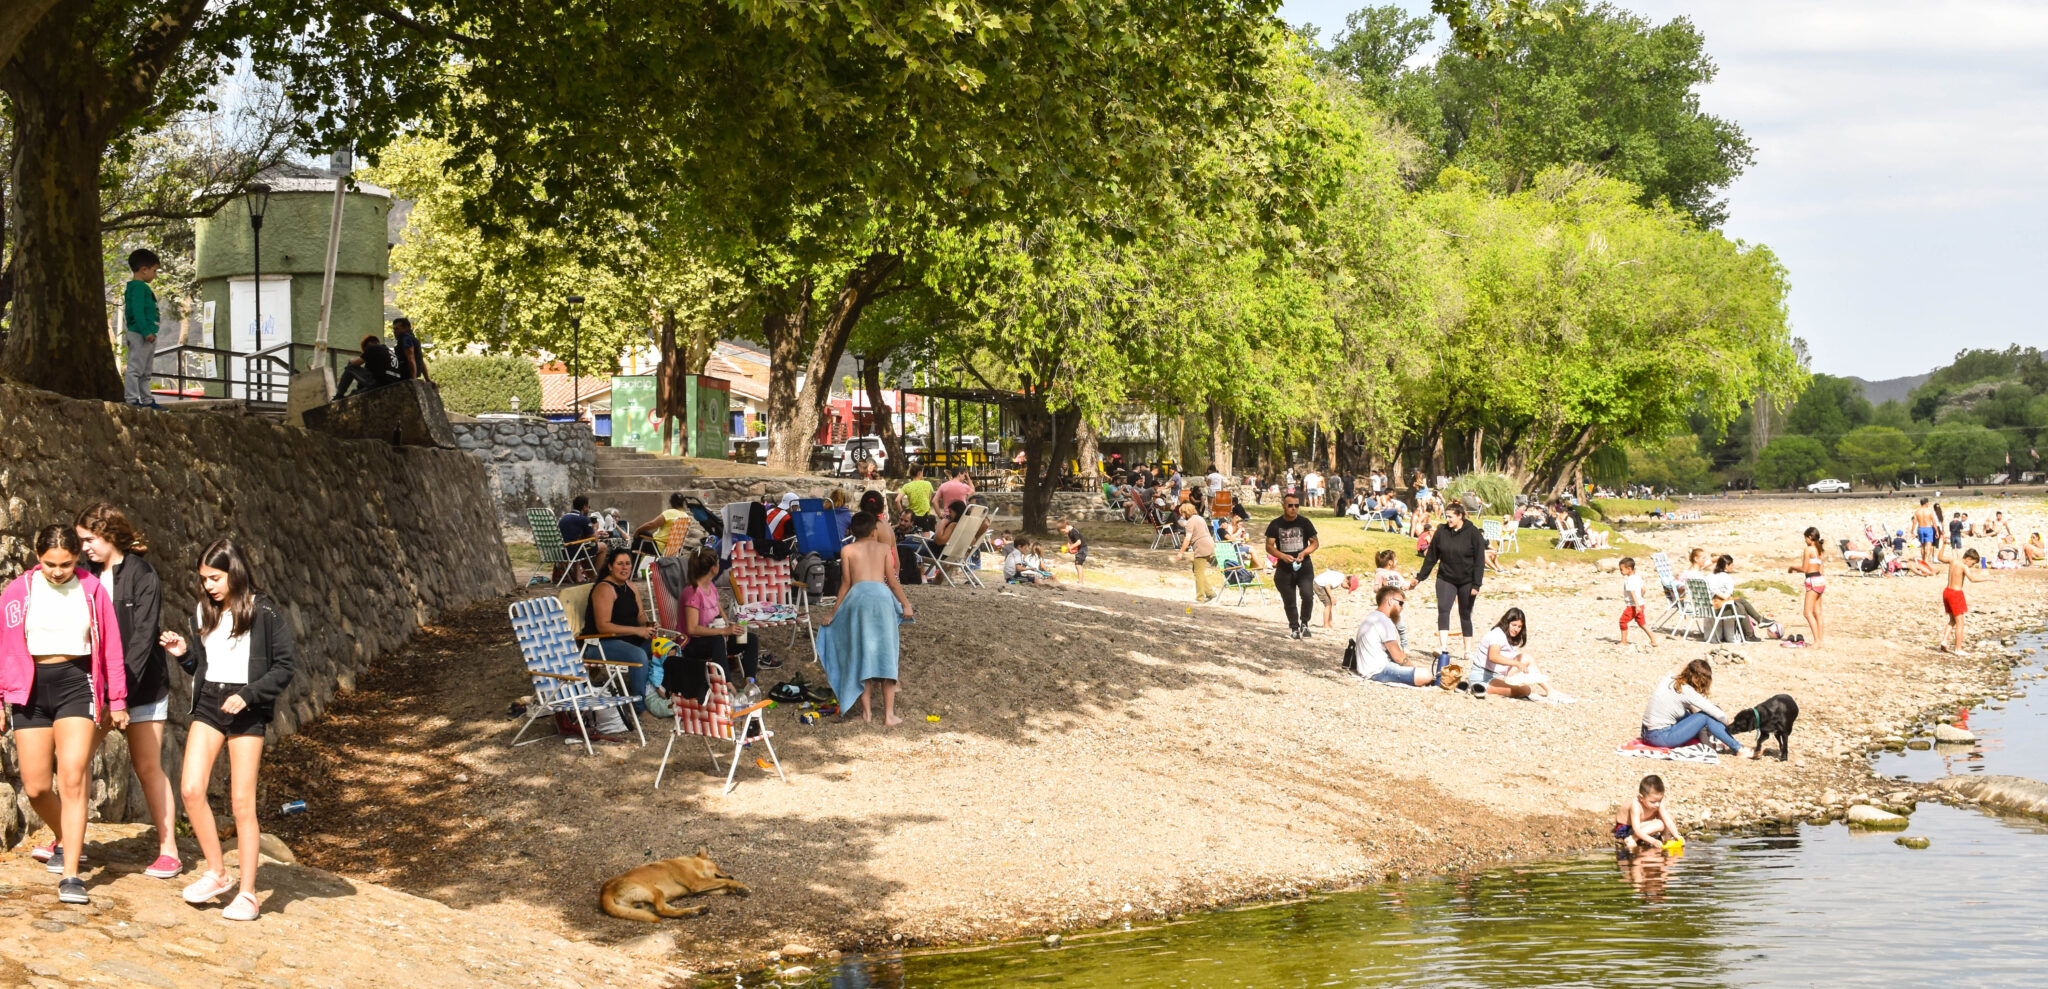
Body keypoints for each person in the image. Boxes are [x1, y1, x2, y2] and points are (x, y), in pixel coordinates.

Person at [161, 539, 295, 920]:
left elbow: (285, 666)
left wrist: (249, 695)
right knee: (191, 789)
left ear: (234, 572)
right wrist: (183, 655)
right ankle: (217, 873)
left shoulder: (263, 610)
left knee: (241, 803)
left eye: (215, 578)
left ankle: (248, 894)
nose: (209, 586)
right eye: (204, 579)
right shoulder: (204, 611)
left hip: (246, 708)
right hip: (209, 702)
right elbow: (204, 666)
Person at [1, 525, 129, 905]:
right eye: (50, 564)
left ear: (77, 559)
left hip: (77, 684)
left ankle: (71, 873)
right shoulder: (18, 591)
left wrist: (118, 699)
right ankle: (66, 835)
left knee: (72, 776)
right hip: (29, 690)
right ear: (37, 557)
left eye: (66, 564)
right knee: (37, 787)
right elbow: (3, 646)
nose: (58, 572)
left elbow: (112, 648)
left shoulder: (92, 589)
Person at [73, 504, 181, 881]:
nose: (84, 547)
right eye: (81, 540)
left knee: (148, 768)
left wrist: (118, 695)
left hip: (143, 687)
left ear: (109, 535)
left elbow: (141, 641)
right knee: (76, 762)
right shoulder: (82, 575)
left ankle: (169, 851)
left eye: (90, 539)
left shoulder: (143, 575)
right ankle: (68, 841)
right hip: (97, 690)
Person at [816, 512, 912, 725]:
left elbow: (845, 584)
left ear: (852, 531)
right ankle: (889, 715)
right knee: (888, 654)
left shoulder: (847, 550)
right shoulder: (884, 548)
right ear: (874, 531)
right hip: (881, 598)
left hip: (858, 598)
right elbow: (892, 581)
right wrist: (905, 604)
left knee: (862, 654)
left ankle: (866, 714)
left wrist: (833, 613)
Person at [664, 546, 763, 705]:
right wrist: (723, 630)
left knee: (749, 638)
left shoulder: (710, 586)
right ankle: (728, 687)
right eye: (718, 562)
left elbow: (717, 607)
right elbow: (692, 629)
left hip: (714, 637)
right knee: (717, 640)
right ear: (713, 568)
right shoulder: (692, 593)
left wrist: (729, 625)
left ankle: (749, 683)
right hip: (691, 644)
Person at [587, 547, 659, 710]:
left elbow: (640, 615)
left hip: (627, 640)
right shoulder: (604, 588)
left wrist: (647, 625)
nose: (624, 567)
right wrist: (637, 630)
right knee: (638, 655)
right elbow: (603, 626)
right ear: (610, 566)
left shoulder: (630, 586)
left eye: (627, 563)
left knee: (664, 647)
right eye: (620, 563)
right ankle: (640, 707)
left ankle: (660, 695)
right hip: (600, 644)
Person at [1415, 504, 1486, 659]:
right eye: (1446, 516)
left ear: (1460, 516)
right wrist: (1420, 577)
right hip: (1445, 578)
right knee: (1443, 609)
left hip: (1467, 580)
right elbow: (1431, 556)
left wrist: (1476, 584)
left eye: (1450, 517)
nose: (1447, 519)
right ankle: (1443, 647)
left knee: (1465, 613)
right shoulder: (1441, 531)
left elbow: (1480, 561)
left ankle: (1467, 651)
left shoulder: (1473, 533)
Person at [1639, 659, 1741, 755]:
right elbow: (1718, 714)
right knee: (1705, 716)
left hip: (1646, 733)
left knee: (1695, 716)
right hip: (1659, 737)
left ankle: (1708, 743)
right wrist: (1729, 724)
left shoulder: (1670, 678)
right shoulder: (1687, 691)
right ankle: (1739, 748)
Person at [1351, 585, 1434, 686]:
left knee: (1418, 670)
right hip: (1378, 670)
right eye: (1400, 603)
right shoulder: (1383, 621)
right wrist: (1412, 668)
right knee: (1425, 675)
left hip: (1366, 669)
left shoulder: (1372, 616)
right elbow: (1398, 656)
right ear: (1390, 601)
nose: (1402, 607)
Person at [1264, 495, 1320, 638]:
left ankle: (1305, 623)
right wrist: (1282, 556)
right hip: (1284, 567)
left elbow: (1315, 543)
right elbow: (1269, 546)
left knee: (1307, 595)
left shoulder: (1305, 522)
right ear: (1284, 506)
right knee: (1289, 600)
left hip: (1304, 566)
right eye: (1290, 505)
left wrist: (1304, 553)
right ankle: (1294, 628)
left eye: (1296, 505)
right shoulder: (1275, 524)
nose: (1293, 508)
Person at [1472, 608, 1554, 699]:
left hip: (1501, 674)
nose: (1516, 629)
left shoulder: (1509, 636)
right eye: (1514, 625)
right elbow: (1493, 656)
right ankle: (1480, 687)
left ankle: (1550, 691)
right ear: (1507, 623)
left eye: (1519, 627)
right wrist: (1517, 664)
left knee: (1526, 657)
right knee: (1525, 690)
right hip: (1484, 677)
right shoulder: (1497, 634)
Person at [122, 248, 164, 409]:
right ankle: (132, 400)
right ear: (144, 269)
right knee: (135, 369)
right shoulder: (138, 288)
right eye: (154, 270)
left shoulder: (140, 287)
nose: (155, 275)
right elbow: (137, 311)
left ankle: (147, 400)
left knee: (146, 371)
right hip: (140, 334)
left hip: (148, 334)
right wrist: (146, 331)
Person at [1709, 554, 1778, 639]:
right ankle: (1750, 634)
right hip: (1718, 610)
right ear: (1726, 565)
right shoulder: (1727, 578)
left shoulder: (1710, 576)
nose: (1733, 567)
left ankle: (1759, 620)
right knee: (1741, 607)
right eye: (1732, 565)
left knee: (1739, 601)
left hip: (1708, 609)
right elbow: (1726, 597)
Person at [1940, 547, 1993, 654]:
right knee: (1960, 623)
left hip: (1947, 592)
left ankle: (1944, 640)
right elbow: (1972, 579)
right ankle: (1958, 649)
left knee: (1952, 620)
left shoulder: (1953, 560)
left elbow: (1940, 557)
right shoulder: (1964, 566)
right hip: (1956, 594)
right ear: (1968, 559)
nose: (1971, 566)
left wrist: (1944, 545)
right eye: (1972, 563)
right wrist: (1988, 578)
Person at [1614, 775, 1682, 854]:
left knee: (1667, 818)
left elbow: (1668, 821)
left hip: (1641, 826)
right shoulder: (1636, 805)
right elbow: (1637, 829)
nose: (1657, 804)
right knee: (1659, 824)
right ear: (1641, 798)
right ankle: (1632, 839)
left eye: (1660, 800)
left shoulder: (1657, 802)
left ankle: (1666, 838)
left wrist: (1677, 836)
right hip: (1625, 829)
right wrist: (1653, 841)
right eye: (1653, 802)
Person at [1787, 526, 1827, 649]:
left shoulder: (1808, 550)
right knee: (1818, 612)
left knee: (1807, 612)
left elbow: (1804, 568)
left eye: (1805, 538)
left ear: (1810, 537)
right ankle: (1820, 641)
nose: (1805, 541)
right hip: (1820, 580)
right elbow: (1821, 570)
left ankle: (1816, 641)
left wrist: (1792, 568)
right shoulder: (1821, 551)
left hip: (1812, 581)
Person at [1173, 503, 1219, 604]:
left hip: (1201, 546)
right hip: (1209, 543)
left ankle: (1200, 598)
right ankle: (1210, 593)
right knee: (1197, 569)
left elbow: (1187, 538)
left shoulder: (1190, 521)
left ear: (1186, 512)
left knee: (1198, 572)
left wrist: (1181, 552)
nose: (1181, 515)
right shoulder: (1199, 518)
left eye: (1182, 513)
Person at [334, 334, 402, 399]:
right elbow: (362, 383)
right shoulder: (389, 352)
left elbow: (355, 363)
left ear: (368, 345)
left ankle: (339, 395)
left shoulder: (373, 348)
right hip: (393, 384)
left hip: (380, 383)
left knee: (350, 366)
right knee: (355, 392)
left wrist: (351, 360)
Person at [632, 493, 690, 559]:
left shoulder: (670, 513)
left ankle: (633, 564)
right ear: (683, 503)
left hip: (658, 546)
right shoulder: (686, 517)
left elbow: (651, 525)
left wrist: (637, 530)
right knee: (643, 535)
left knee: (637, 540)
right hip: (673, 550)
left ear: (671, 502)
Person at [1617, 557, 1655, 648]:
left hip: (1633, 606)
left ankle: (1623, 641)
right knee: (1642, 623)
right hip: (1641, 604)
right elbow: (1644, 589)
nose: (1620, 571)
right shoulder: (1638, 577)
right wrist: (1640, 599)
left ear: (1629, 569)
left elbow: (1632, 592)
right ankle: (1653, 640)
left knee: (1622, 621)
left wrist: (1636, 605)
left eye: (1621, 569)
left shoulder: (1629, 580)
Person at [897, 465, 936, 531]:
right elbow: (929, 499)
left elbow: (897, 500)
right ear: (919, 473)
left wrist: (902, 513)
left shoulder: (907, 486)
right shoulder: (928, 484)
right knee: (926, 534)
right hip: (925, 516)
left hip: (911, 517)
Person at [391, 316, 430, 381]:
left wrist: (413, 379)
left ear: (406, 328)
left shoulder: (405, 338)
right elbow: (420, 360)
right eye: (394, 329)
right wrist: (427, 378)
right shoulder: (413, 339)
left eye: (397, 329)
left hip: (405, 377)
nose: (394, 332)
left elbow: (411, 359)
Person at [1912, 498, 1939, 563]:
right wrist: (1937, 531)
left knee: (1922, 546)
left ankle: (1923, 560)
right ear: (1926, 503)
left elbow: (1914, 522)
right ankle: (1926, 560)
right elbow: (1934, 522)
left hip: (1921, 528)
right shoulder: (1929, 511)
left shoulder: (1917, 511)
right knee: (1929, 546)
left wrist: (1912, 531)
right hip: (1928, 528)